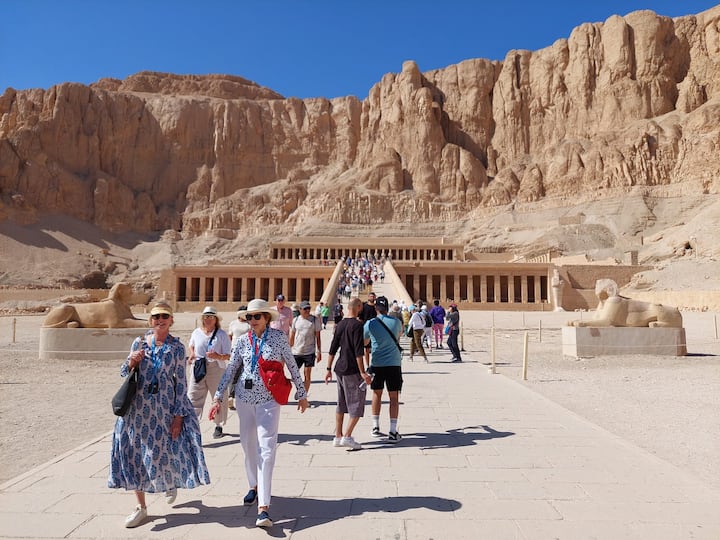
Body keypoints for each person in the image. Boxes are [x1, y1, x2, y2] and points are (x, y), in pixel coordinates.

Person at [108, 302, 210, 529]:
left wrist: (178, 416)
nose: (160, 320)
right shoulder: (140, 342)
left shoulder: (176, 348)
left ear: (171, 320)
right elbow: (124, 372)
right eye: (156, 317)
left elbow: (181, 383)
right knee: (135, 454)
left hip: (163, 410)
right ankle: (141, 507)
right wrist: (132, 361)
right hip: (137, 410)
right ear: (150, 320)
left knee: (163, 452)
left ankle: (169, 482)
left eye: (164, 316)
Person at [210, 298, 309, 529]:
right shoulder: (242, 341)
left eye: (256, 316)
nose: (252, 320)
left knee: (266, 450)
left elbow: (292, 364)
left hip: (268, 401)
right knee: (248, 446)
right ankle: (253, 485)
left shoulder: (278, 338)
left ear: (266, 318)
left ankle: (263, 507)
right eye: (249, 317)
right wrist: (217, 397)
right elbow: (231, 369)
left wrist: (302, 393)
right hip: (244, 401)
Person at [325, 297, 371, 450]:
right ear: (358, 307)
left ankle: (337, 436)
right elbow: (359, 352)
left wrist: (328, 369)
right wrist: (363, 372)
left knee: (341, 403)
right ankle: (347, 436)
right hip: (352, 369)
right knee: (357, 404)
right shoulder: (357, 325)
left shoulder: (340, 324)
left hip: (339, 368)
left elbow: (332, 348)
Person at [363, 295, 403, 443]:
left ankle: (375, 426)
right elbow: (399, 336)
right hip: (393, 363)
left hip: (377, 363)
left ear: (376, 308)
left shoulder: (371, 323)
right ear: (387, 308)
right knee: (394, 397)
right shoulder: (397, 322)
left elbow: (364, 341)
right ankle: (392, 431)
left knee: (376, 394)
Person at [187, 306, 232, 439]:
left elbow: (228, 355)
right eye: (206, 317)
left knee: (218, 397)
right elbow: (191, 345)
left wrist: (217, 356)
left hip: (216, 368)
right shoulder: (196, 332)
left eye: (211, 317)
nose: (208, 319)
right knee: (193, 396)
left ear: (215, 319)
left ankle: (218, 425)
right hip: (199, 367)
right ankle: (192, 425)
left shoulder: (221, 335)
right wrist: (192, 353)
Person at [289, 300, 322, 396]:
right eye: (305, 309)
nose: (307, 310)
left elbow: (318, 337)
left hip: (309, 351)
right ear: (300, 310)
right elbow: (292, 336)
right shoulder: (296, 320)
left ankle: (303, 395)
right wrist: (288, 350)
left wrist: (319, 351)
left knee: (307, 375)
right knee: (294, 375)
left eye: (308, 308)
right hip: (297, 351)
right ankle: (300, 389)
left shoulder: (314, 320)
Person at [227, 306, 249, 410]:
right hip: (235, 351)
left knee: (246, 374)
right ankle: (231, 396)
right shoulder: (233, 323)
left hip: (247, 352)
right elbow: (230, 337)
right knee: (234, 374)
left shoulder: (249, 324)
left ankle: (246, 397)